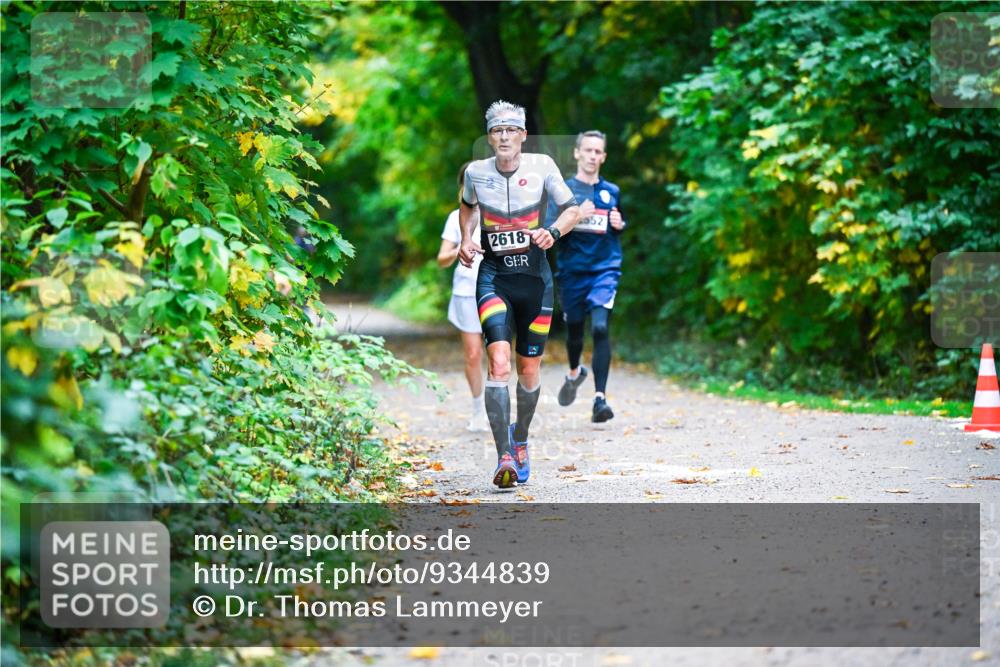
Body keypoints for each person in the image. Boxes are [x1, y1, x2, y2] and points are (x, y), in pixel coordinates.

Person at [458, 100, 581, 488]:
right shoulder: (476, 173)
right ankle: (504, 456)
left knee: (529, 370)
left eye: (511, 130)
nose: (504, 136)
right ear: (489, 137)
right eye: (497, 130)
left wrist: (553, 232)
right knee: (498, 363)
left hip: (535, 281)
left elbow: (573, 210)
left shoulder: (542, 166)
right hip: (494, 278)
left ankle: (521, 438)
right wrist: (466, 239)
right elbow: (467, 207)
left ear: (523, 135)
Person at [548, 130, 627, 423]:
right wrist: (576, 216)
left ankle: (599, 399)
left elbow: (618, 223)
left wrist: (620, 223)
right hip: (572, 272)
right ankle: (574, 371)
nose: (593, 156)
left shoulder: (612, 191)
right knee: (574, 331)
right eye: (588, 150)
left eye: (598, 152)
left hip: (605, 269)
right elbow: (550, 230)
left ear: (603, 157)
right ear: (577, 153)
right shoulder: (564, 191)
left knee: (601, 328)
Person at [437, 162, 488, 432]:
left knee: (499, 353)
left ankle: (497, 408)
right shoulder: (456, 218)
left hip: (496, 289)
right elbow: (441, 259)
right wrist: (459, 248)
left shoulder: (498, 214)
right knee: (473, 353)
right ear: (463, 186)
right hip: (466, 291)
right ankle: (478, 409)